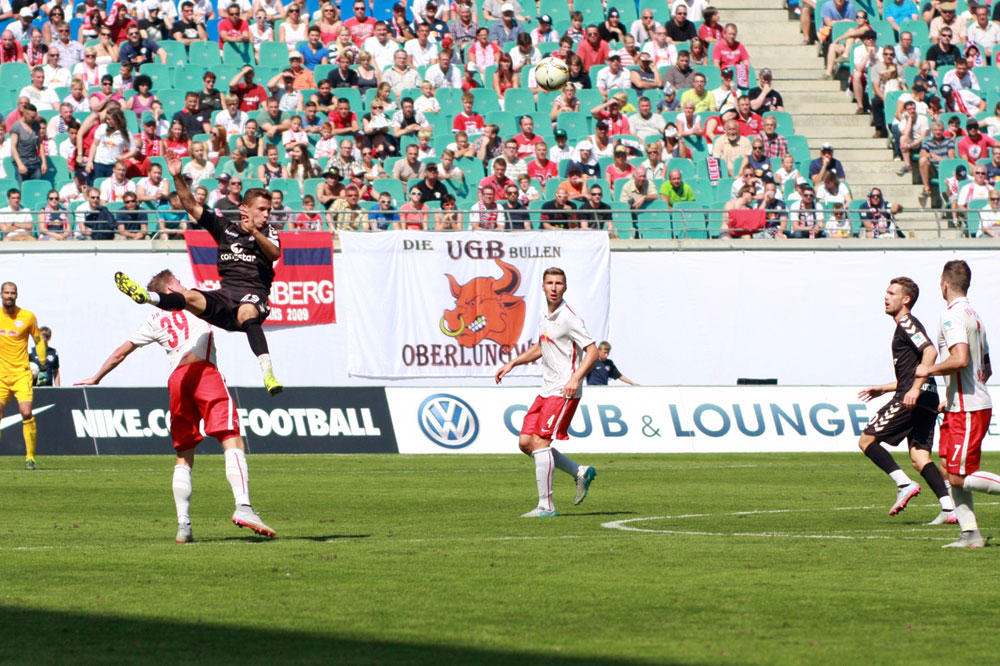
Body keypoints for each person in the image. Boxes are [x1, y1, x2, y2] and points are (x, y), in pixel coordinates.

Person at [77, 269, 275, 542]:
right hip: (204, 372)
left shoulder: (154, 318)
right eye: (179, 282)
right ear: (171, 289)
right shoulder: (194, 304)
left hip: (177, 381)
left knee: (184, 456)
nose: (185, 285)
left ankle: (184, 525)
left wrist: (97, 377)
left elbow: (120, 352)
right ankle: (244, 506)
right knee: (231, 439)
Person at [114, 151, 284, 396]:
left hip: (252, 299)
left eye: (268, 210)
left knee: (247, 312)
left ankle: (268, 374)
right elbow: (192, 206)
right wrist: (176, 177)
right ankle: (147, 297)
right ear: (245, 209)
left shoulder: (268, 231)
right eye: (262, 209)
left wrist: (255, 232)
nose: (267, 214)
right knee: (191, 296)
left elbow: (275, 254)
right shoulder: (225, 228)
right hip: (225, 299)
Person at [495, 267, 599, 517]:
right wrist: (513, 363)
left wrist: (575, 378)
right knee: (525, 443)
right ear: (543, 286)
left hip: (564, 390)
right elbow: (542, 346)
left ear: (565, 287)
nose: (554, 287)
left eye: (559, 283)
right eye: (550, 283)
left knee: (541, 442)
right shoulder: (544, 314)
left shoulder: (570, 317)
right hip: (546, 389)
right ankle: (579, 472)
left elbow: (593, 351)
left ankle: (546, 506)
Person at [914, 260, 1000, 548]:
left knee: (959, 476)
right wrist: (950, 395)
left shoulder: (951, 316)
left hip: (969, 408)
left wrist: (928, 369)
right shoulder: (975, 316)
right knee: (947, 468)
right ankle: (970, 535)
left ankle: (971, 534)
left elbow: (960, 359)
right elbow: (985, 368)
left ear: (944, 284)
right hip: (961, 405)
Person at [857, 277, 955, 523]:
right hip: (927, 398)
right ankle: (949, 508)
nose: (886, 297)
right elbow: (914, 369)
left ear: (906, 299)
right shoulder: (904, 326)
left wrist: (914, 388)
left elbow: (930, 351)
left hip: (915, 396)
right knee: (920, 457)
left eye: (891, 293)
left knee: (867, 440)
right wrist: (887, 387)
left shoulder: (907, 323)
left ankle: (904, 484)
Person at [0, 282, 47, 470]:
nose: (9, 296)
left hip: (22, 373)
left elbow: (38, 341)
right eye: (6, 292)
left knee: (26, 412)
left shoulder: (27, 316)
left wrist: (43, 365)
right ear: (1, 294)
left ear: (16, 295)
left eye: (13, 293)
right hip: (1, 374)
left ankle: (30, 457)